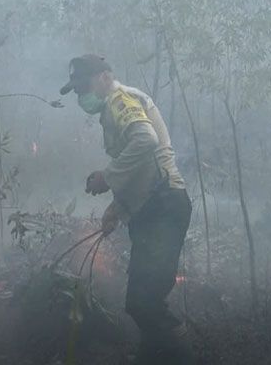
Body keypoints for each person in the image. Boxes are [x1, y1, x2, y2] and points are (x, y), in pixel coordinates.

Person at [60, 54, 193, 363]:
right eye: (77, 90)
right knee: (141, 300)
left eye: (85, 84)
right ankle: (154, 356)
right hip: (152, 210)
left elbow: (146, 141)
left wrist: (108, 176)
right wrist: (116, 208)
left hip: (164, 207)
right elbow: (141, 169)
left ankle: (182, 356)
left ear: (106, 76)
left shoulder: (121, 100)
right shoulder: (113, 109)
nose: (82, 95)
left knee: (143, 301)